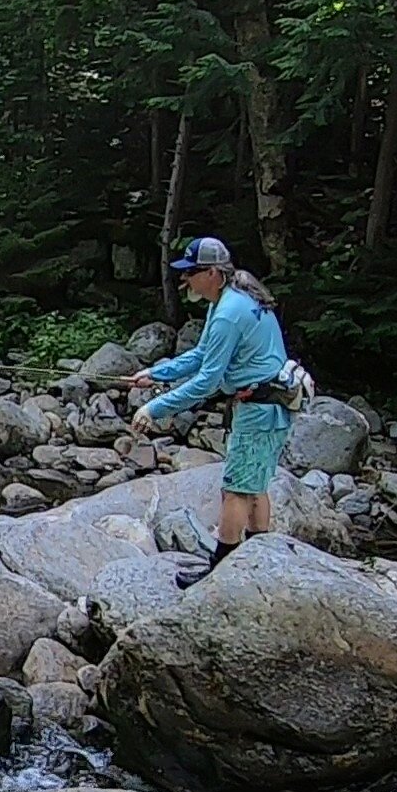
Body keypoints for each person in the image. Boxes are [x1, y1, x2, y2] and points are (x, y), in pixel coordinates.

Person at [129, 236, 293, 580]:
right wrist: (156, 373)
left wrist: (154, 409)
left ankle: (222, 571)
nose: (185, 279)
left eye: (191, 272)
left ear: (214, 273)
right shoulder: (230, 299)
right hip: (268, 405)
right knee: (254, 484)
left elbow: (207, 381)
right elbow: (203, 354)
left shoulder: (229, 313)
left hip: (261, 408)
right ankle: (257, 559)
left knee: (235, 489)